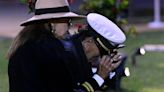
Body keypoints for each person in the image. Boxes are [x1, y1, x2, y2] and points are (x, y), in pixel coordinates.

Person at [7, 0, 118, 92]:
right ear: (53, 22)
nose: (69, 27)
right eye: (67, 21)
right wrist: (99, 76)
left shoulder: (24, 45)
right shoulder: (51, 51)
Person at [72, 13, 127, 91]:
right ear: (88, 42)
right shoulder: (65, 57)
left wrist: (108, 72)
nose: (103, 56)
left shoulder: (82, 57)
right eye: (102, 51)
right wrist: (100, 76)